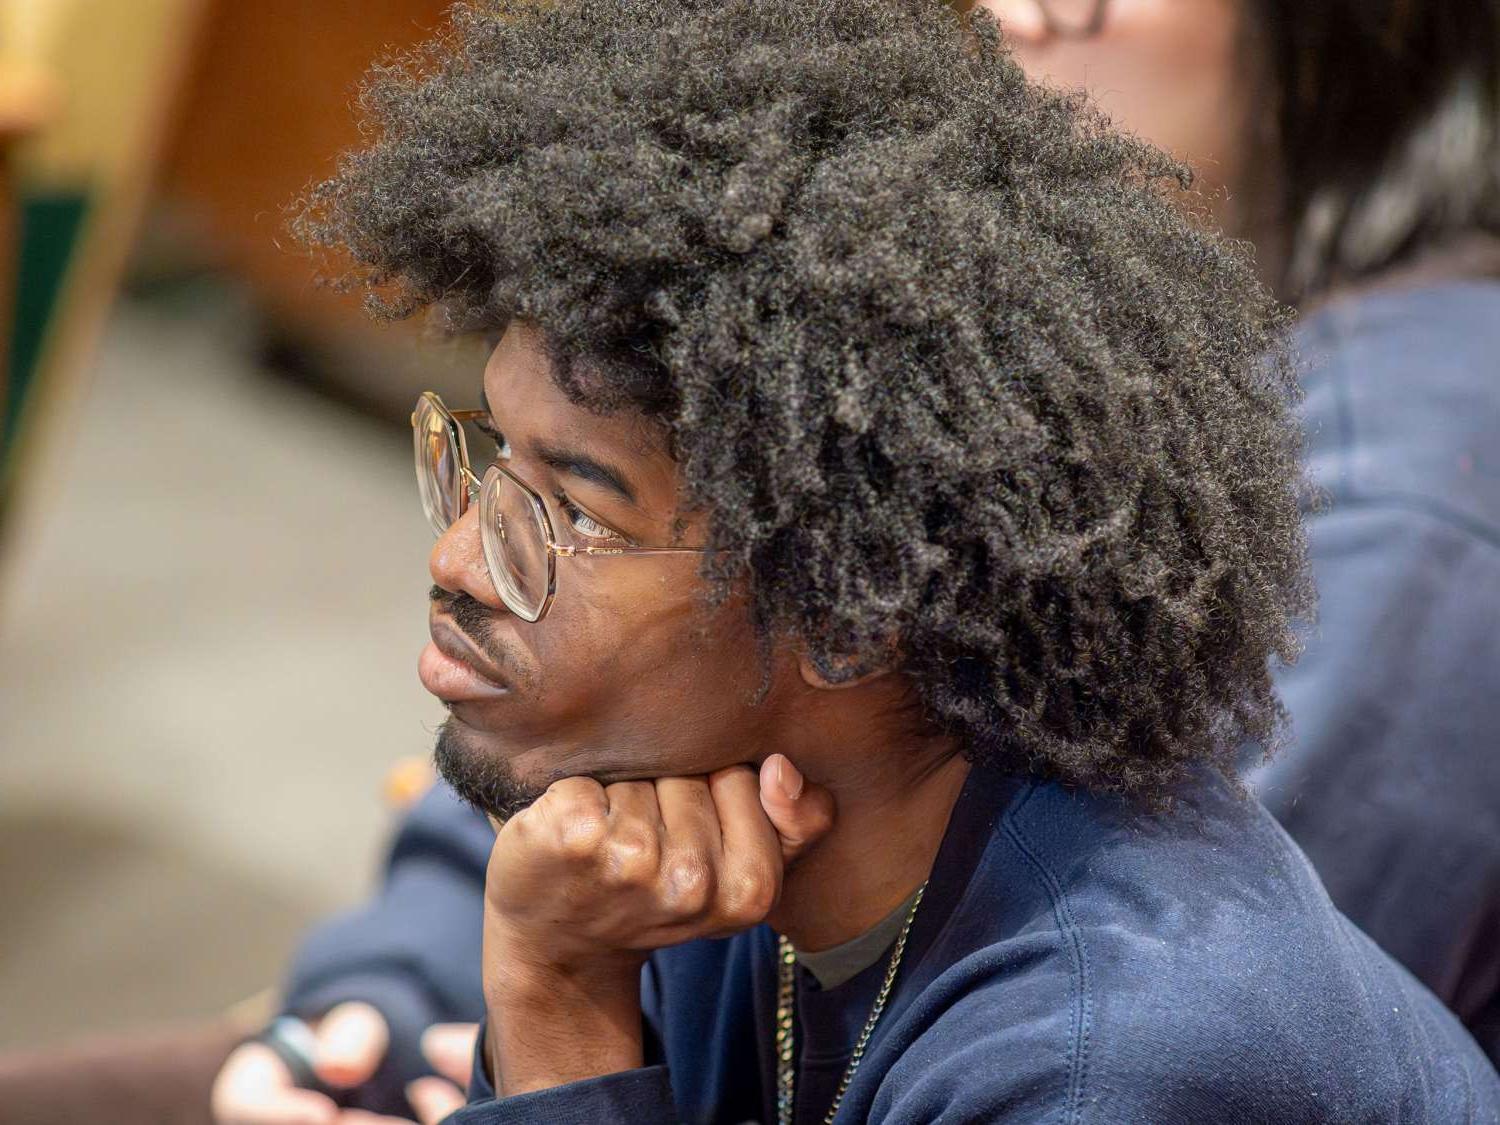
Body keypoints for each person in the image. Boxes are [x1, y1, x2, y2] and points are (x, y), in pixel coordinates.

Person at [213, 1, 1500, 1122]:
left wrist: (555, 1000)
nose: (456, 558)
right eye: (493, 462)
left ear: (853, 601)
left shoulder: (1110, 1061)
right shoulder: (726, 829)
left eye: (576, 511)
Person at [971, 0, 1500, 1059]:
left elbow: (1121, 1052)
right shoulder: (1297, 381)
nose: (1017, 18)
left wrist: (576, 1026)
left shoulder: (1394, 492)